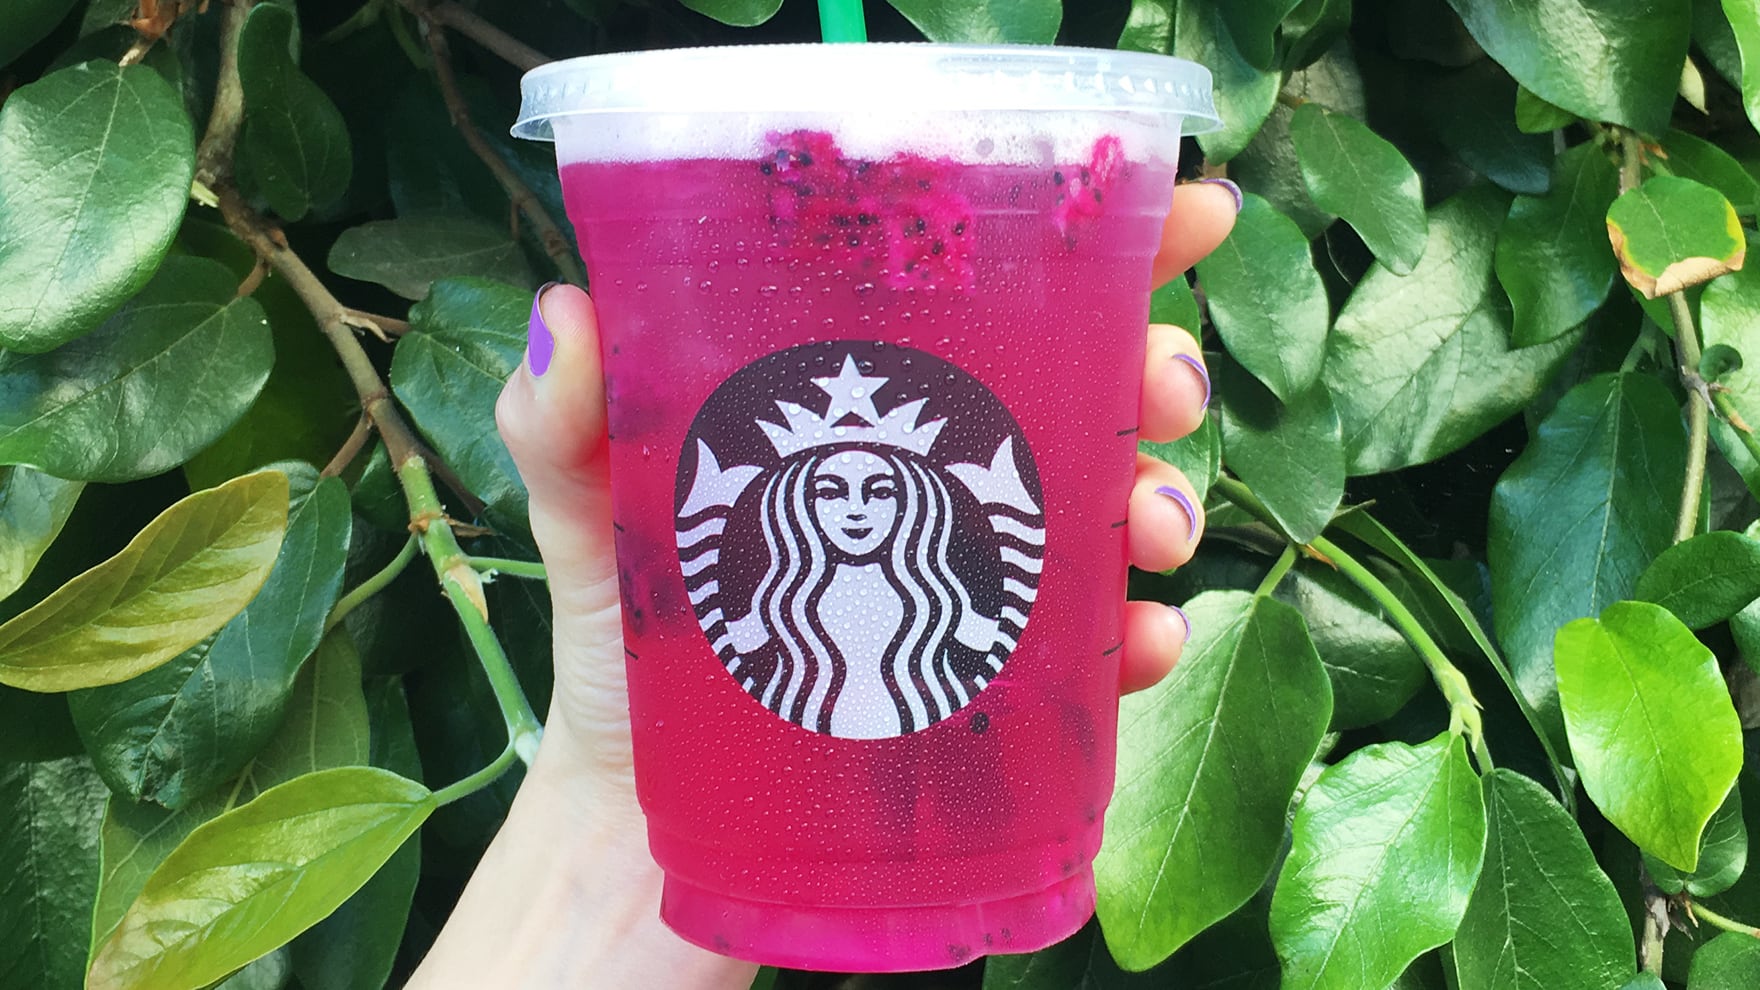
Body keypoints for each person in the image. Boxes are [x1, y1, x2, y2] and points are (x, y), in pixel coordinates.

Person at [406, 178, 1242, 988]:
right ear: (794, 502)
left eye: (879, 489)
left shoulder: (945, 616)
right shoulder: (771, 619)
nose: (855, 511)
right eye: (830, 490)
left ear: (917, 499)